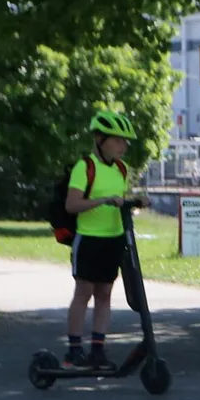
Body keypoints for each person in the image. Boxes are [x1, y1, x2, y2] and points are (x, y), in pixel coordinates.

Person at [63, 109, 136, 369]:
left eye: (125, 141)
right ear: (100, 139)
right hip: (89, 239)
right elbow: (72, 205)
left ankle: (97, 349)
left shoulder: (121, 169)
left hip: (113, 239)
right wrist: (104, 201)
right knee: (84, 292)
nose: (123, 145)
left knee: (105, 293)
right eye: (118, 140)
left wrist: (134, 202)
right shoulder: (85, 167)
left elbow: (118, 199)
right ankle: (73, 350)